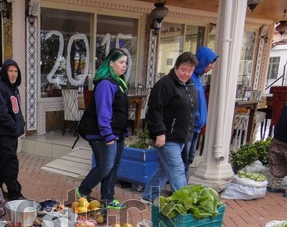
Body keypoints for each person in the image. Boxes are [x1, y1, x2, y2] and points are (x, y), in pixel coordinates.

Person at [75, 49, 129, 209]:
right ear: (111, 63)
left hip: (117, 133)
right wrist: (108, 135)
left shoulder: (119, 82)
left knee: (113, 166)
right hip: (102, 135)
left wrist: (121, 131)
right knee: (104, 167)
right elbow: (103, 112)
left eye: (126, 62)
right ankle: (83, 190)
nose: (124, 65)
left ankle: (108, 198)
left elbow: (120, 111)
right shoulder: (106, 84)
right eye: (121, 62)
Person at [141, 52, 198, 204]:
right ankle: (186, 204)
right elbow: (155, 111)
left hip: (181, 136)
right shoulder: (164, 85)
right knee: (177, 170)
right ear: (176, 67)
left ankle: (148, 196)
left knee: (164, 170)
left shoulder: (190, 85)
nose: (186, 73)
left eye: (190, 70)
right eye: (183, 69)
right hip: (167, 137)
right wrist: (159, 133)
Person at [0, 59, 25, 201]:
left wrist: (21, 123)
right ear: (4, 71)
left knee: (4, 165)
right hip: (2, 135)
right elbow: (0, 113)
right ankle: (15, 194)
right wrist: (15, 126)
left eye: (16, 71)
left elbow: (15, 111)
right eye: (10, 71)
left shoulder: (13, 88)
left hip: (10, 135)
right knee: (10, 165)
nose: (13, 74)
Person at [182, 46, 218, 178]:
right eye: (210, 63)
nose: (211, 67)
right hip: (190, 126)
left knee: (189, 158)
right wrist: (195, 117)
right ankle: (180, 186)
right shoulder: (190, 79)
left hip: (196, 127)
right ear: (203, 61)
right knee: (184, 158)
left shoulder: (198, 79)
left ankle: (182, 184)